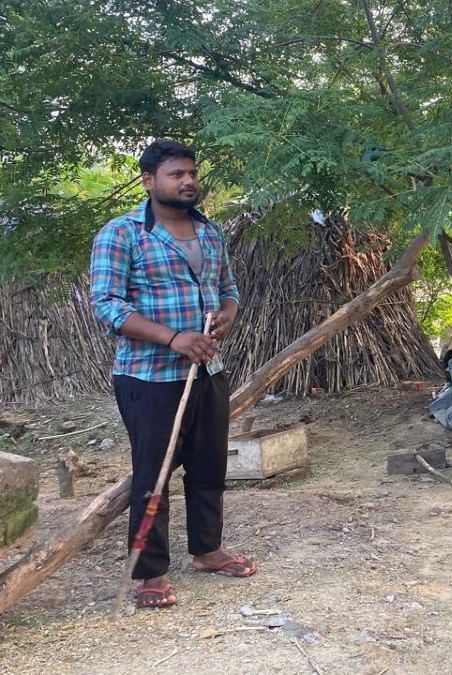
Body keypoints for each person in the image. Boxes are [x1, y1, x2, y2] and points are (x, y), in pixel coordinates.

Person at [90, 139, 256, 610]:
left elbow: (229, 288)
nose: (187, 181)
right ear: (149, 182)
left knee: (208, 466)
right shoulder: (122, 234)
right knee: (154, 475)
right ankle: (150, 574)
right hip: (148, 376)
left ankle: (207, 550)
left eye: (191, 173)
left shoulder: (211, 232)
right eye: (175, 174)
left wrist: (227, 313)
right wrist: (172, 337)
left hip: (208, 371)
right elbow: (106, 305)